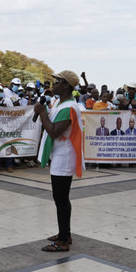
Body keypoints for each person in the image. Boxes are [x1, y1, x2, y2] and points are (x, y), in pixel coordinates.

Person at [34, 70, 84, 252]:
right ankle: (66, 233)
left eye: (57, 82)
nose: (53, 84)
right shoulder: (59, 103)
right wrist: (44, 110)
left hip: (65, 157)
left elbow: (54, 131)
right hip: (59, 154)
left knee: (61, 199)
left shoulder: (69, 107)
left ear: (66, 86)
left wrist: (42, 114)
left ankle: (63, 241)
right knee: (61, 198)